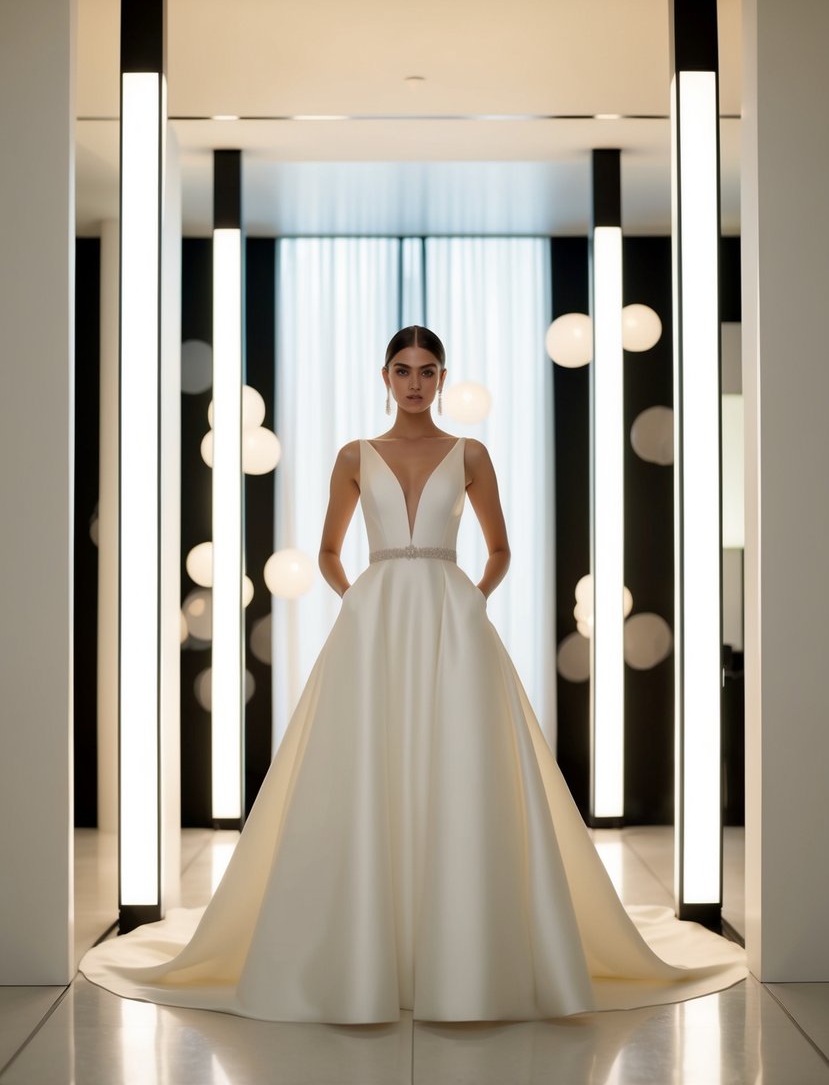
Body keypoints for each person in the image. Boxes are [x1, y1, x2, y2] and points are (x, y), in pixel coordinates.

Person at [80, 324, 746, 1023]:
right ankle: (359, 948)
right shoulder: (353, 456)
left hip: (453, 622)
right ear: (384, 376)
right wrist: (361, 602)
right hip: (372, 624)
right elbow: (331, 551)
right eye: (403, 370)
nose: (416, 383)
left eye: (428, 371)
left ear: (441, 377)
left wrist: (468, 601)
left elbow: (499, 549)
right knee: (366, 761)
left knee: (459, 763)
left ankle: (462, 950)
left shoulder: (470, 455)